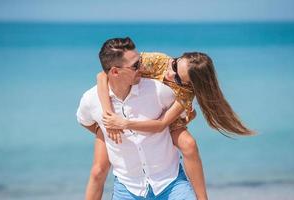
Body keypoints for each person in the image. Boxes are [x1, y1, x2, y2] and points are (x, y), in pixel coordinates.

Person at [96, 38, 255, 198]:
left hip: (165, 115)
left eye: (178, 78)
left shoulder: (187, 92)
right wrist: (109, 116)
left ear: (191, 84)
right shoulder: (158, 61)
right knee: (98, 169)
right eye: (175, 65)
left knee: (189, 145)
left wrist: (125, 123)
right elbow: (102, 75)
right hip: (143, 107)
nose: (170, 73)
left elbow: (162, 124)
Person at [76, 37, 199, 200]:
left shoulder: (158, 91)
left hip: (170, 182)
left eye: (140, 61)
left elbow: (186, 114)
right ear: (114, 72)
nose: (142, 67)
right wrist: (105, 130)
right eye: (135, 66)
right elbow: (85, 121)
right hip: (128, 188)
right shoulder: (91, 99)